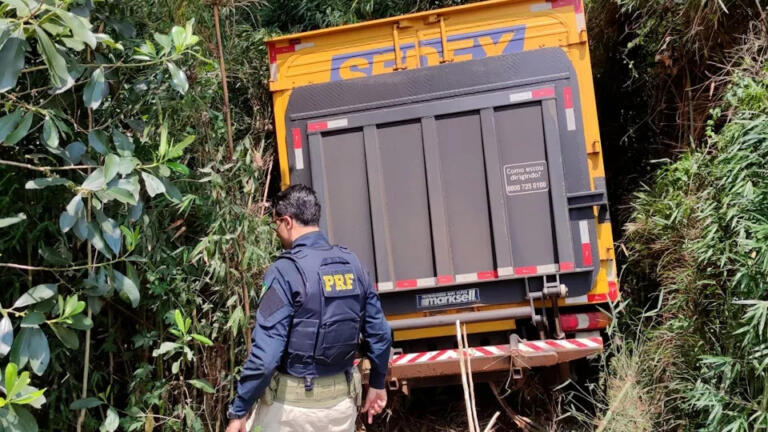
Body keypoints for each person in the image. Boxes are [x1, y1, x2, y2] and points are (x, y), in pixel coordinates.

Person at [226, 184, 392, 432]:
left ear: (287, 221)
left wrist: (239, 410)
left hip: (290, 411)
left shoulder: (285, 271)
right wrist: (378, 384)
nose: (277, 232)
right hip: (341, 408)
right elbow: (380, 334)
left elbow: (266, 357)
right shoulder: (352, 264)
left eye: (277, 225)